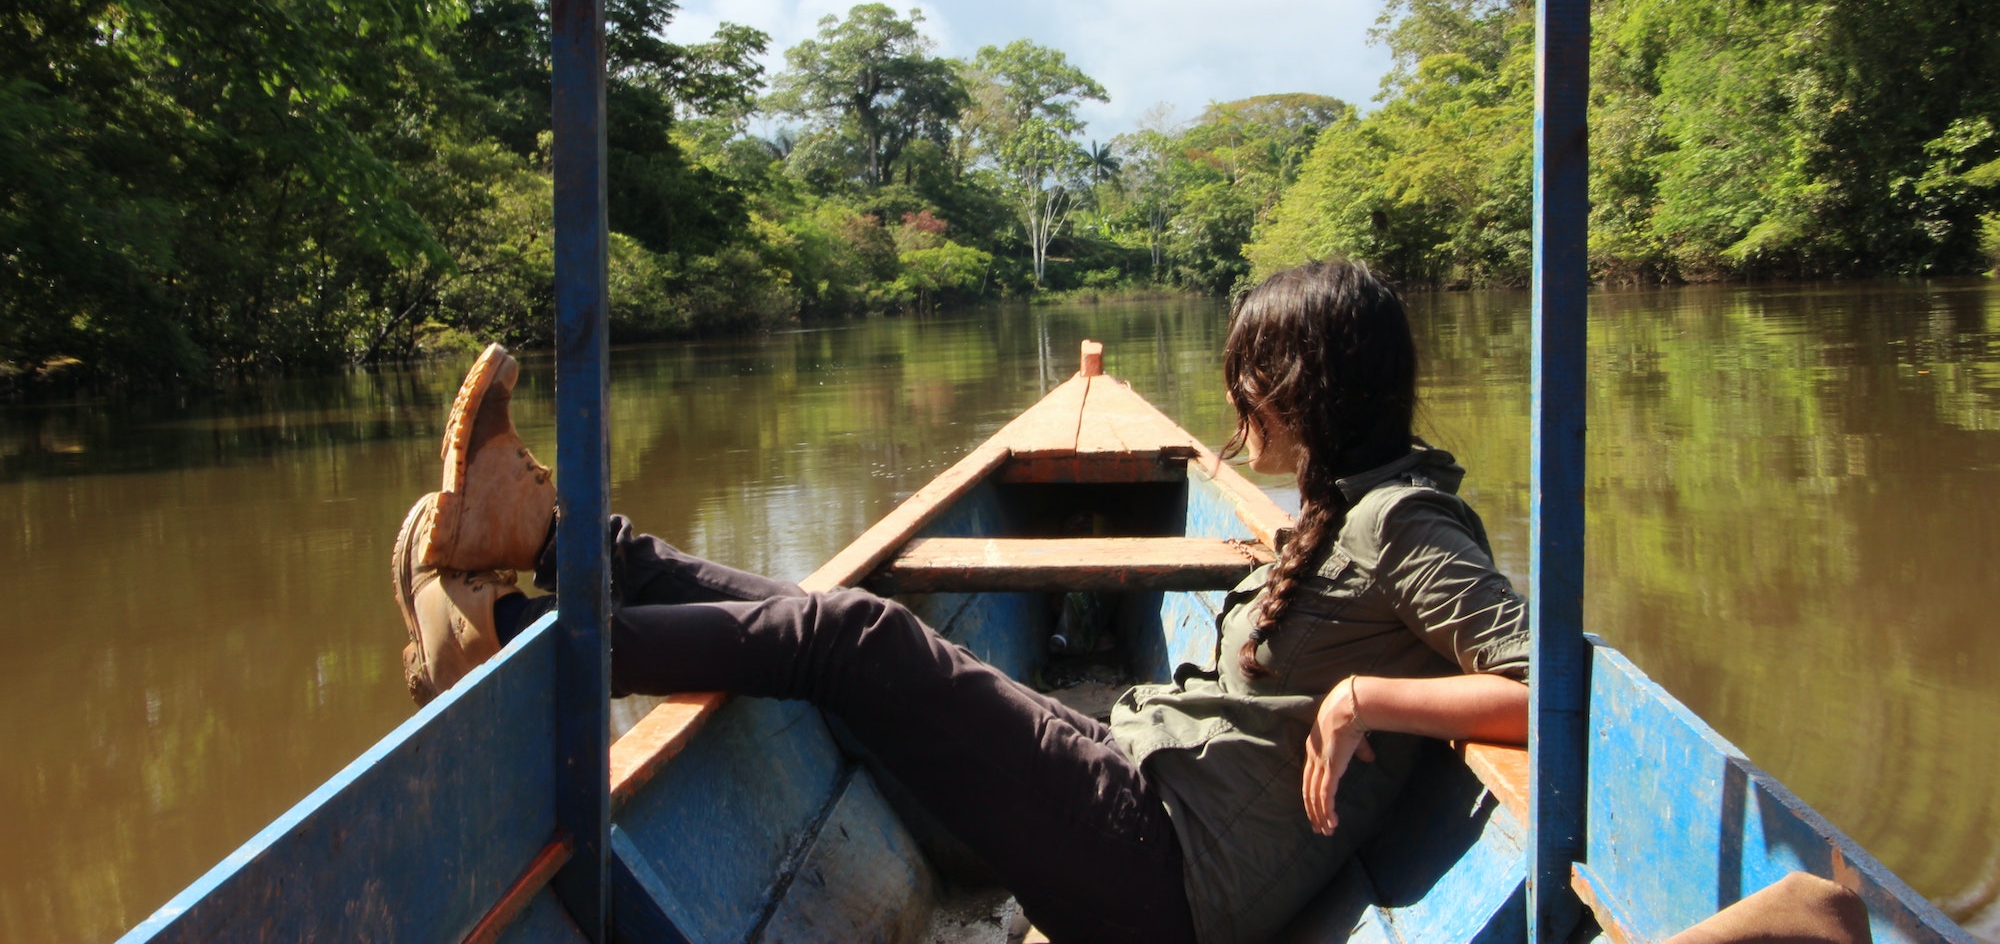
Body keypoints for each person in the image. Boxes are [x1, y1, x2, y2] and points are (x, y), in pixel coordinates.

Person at [392, 261, 1533, 943]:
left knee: (854, 633)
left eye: (1250, 376)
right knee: (831, 624)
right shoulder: (1350, 505)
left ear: (1299, 386)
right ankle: (553, 542)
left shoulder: (1402, 523)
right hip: (1141, 783)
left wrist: (1362, 698)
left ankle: (518, 637)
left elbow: (1544, 684)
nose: (1236, 401)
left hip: (1164, 874)